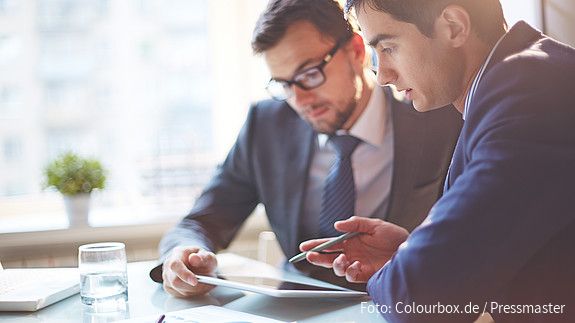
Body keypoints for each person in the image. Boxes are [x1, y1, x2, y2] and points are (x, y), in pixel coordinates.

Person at [149, 0, 462, 297]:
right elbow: (200, 221)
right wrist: (182, 255)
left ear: (356, 52)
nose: (300, 100)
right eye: (285, 84)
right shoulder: (266, 126)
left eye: (310, 74)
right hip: (296, 310)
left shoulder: (439, 120)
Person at [301, 0, 575, 322]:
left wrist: (410, 270)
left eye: (388, 47)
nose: (383, 75)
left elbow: (416, 297)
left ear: (454, 27)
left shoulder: (528, 97)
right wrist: (410, 251)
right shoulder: (510, 84)